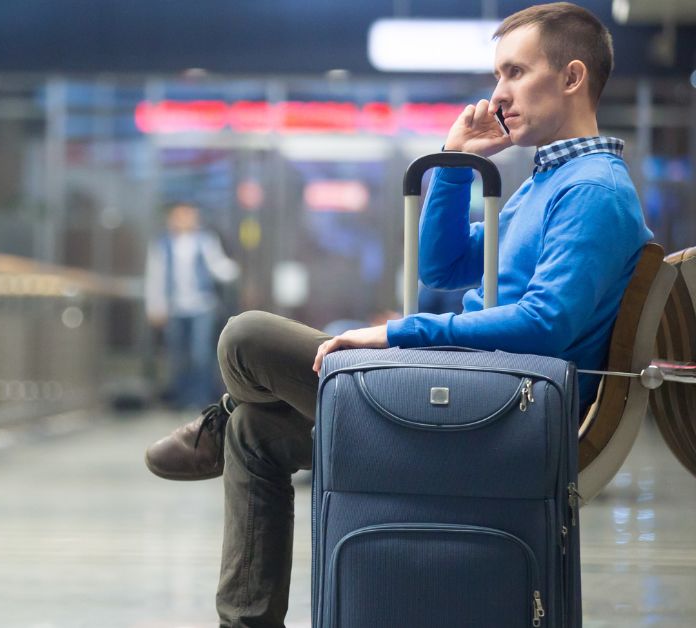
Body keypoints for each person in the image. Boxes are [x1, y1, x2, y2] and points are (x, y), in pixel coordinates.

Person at [142, 4, 653, 626]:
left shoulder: (592, 190)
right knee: (255, 434)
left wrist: (396, 335)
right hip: (482, 397)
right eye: (498, 75)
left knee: (246, 337)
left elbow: (546, 324)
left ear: (572, 77)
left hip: (505, 418)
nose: (498, 94)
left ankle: (218, 416)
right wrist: (456, 161)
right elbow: (443, 266)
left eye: (516, 73)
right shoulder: (549, 183)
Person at [144, 202, 240, 409]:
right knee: (177, 355)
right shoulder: (162, 245)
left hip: (201, 306)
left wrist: (235, 270)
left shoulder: (205, 241)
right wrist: (155, 306)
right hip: (175, 307)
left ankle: (200, 398)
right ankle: (181, 398)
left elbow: (218, 266)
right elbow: (155, 277)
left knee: (200, 354)